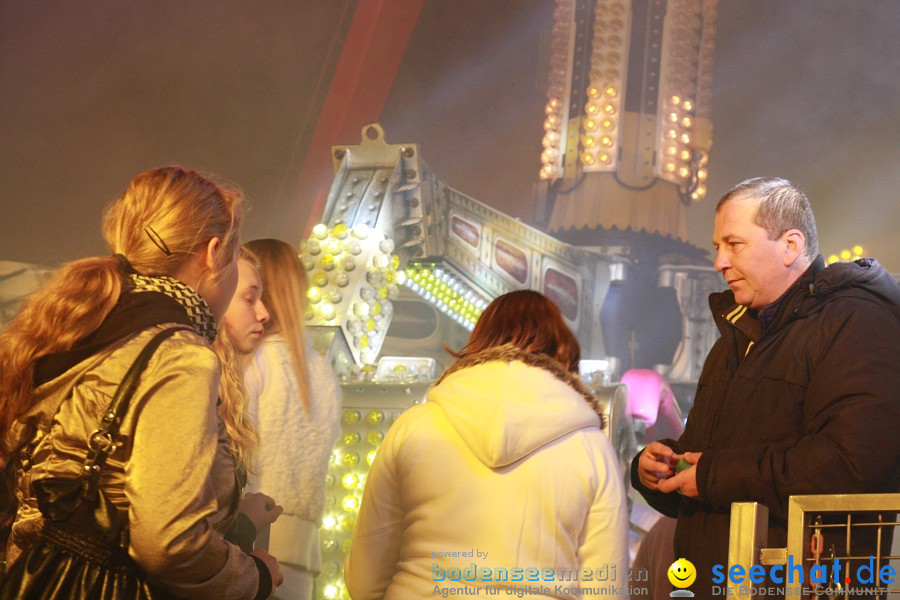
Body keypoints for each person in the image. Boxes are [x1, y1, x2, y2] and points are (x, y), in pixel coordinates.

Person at [0, 166, 281, 598]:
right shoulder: (177, 355)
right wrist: (252, 575)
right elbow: (168, 544)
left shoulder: (75, 326)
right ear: (212, 254)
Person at [632, 177, 900, 598]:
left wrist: (712, 475)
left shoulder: (857, 323)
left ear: (791, 246)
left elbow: (854, 465)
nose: (719, 261)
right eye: (717, 246)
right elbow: (706, 471)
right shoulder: (735, 340)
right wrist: (661, 471)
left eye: (734, 244)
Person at [345, 290, 629, 599]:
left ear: (480, 340)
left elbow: (364, 578)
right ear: (562, 351)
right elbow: (606, 588)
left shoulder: (414, 426)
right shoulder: (592, 448)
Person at [242, 238, 342, 600]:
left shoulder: (253, 364)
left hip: (252, 546)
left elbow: (239, 461)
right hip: (304, 553)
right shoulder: (321, 373)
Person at [212, 246, 284, 554]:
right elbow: (188, 539)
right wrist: (245, 523)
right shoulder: (196, 383)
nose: (264, 313)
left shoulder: (225, 384)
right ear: (215, 297)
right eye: (249, 298)